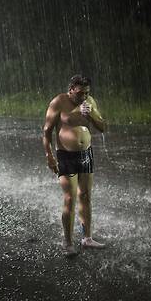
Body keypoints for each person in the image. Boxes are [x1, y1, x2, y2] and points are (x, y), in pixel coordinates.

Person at [43, 74, 107, 256]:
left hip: (86, 154)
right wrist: (49, 156)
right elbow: (46, 131)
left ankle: (87, 238)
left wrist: (92, 114)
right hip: (66, 156)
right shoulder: (58, 102)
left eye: (87, 93)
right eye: (80, 93)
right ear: (70, 90)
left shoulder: (89, 102)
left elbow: (103, 127)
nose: (83, 97)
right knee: (70, 199)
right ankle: (68, 242)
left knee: (85, 196)